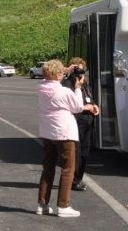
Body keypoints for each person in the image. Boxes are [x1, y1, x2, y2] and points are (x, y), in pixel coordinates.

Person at [37, 59, 85, 218]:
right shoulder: (64, 91)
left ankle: (42, 204)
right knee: (68, 168)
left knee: (48, 168)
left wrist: (66, 70)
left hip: (48, 132)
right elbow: (78, 107)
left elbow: (50, 77)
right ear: (58, 74)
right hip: (64, 132)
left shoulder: (42, 87)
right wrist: (78, 88)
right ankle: (63, 206)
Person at [63, 57, 99, 191]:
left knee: (85, 152)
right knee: (76, 153)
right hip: (75, 122)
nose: (79, 73)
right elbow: (70, 105)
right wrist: (85, 107)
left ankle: (78, 178)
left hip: (88, 122)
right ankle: (73, 181)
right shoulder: (67, 85)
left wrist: (95, 106)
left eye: (81, 70)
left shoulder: (84, 84)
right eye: (76, 70)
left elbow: (90, 98)